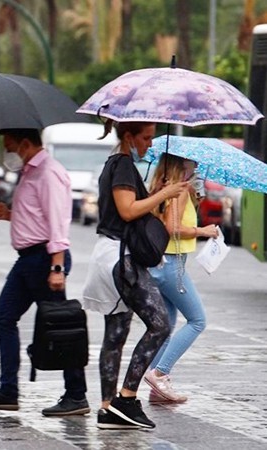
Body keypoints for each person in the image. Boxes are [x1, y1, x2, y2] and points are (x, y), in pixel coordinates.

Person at [0, 129, 90, 417]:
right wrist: (8, 213)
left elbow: (58, 221)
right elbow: (35, 215)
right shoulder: (29, 171)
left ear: (25, 143)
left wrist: (57, 267)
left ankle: (76, 395)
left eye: (10, 146)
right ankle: (8, 391)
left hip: (45, 259)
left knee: (62, 328)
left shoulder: (49, 172)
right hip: (27, 260)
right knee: (4, 317)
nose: (7, 152)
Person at [81, 120, 189, 430]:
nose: (150, 144)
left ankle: (106, 408)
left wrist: (158, 193)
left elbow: (129, 209)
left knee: (115, 335)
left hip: (107, 256)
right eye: (146, 137)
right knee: (160, 324)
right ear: (129, 136)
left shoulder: (114, 163)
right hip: (121, 259)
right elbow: (127, 210)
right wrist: (164, 192)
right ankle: (126, 399)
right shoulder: (124, 164)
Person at [145, 153, 218, 403]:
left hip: (160, 262)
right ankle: (160, 373)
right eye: (192, 161)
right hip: (172, 264)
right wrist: (203, 230)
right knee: (197, 320)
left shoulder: (162, 187)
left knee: (165, 325)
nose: (196, 165)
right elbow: (173, 228)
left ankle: (155, 383)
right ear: (181, 164)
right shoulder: (178, 189)